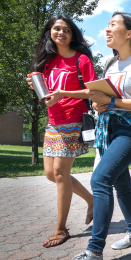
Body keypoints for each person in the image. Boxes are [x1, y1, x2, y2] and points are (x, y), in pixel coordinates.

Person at [64, 12, 131, 260]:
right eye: (107, 25)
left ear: (129, 32)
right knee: (121, 184)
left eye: (113, 25)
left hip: (130, 130)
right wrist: (76, 97)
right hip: (108, 128)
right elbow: (97, 94)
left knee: (99, 179)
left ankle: (94, 250)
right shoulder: (111, 64)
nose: (107, 30)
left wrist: (109, 102)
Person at [26, 15, 95, 248]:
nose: (61, 33)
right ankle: (91, 200)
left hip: (73, 121)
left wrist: (64, 93)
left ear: (72, 34)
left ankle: (61, 228)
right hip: (53, 122)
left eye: (66, 30)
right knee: (51, 174)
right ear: (50, 33)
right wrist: (37, 87)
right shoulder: (46, 62)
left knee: (59, 172)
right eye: (56, 29)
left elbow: (92, 92)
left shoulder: (81, 60)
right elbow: (47, 98)